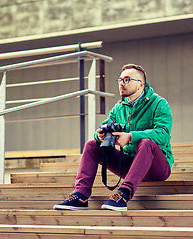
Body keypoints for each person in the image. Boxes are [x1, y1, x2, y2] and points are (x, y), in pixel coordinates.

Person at [53, 63, 174, 211]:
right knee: (91, 145)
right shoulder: (118, 108)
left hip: (157, 168)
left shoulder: (159, 104)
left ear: (141, 85)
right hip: (129, 164)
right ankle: (80, 196)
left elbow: (163, 134)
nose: (122, 83)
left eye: (127, 79)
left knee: (146, 143)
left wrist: (130, 137)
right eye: (120, 80)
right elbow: (101, 129)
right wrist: (100, 135)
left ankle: (122, 195)